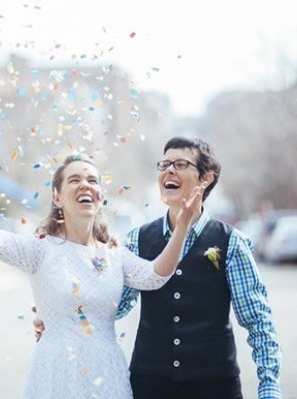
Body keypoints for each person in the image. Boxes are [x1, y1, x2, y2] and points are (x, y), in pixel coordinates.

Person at [0, 139, 205, 399]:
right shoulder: (40, 250)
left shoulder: (115, 254)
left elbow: (156, 276)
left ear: (101, 197)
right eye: (75, 180)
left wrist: (182, 225)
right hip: (55, 373)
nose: (85, 185)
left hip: (107, 374)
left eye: (92, 180)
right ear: (57, 196)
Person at [117, 136, 282, 399]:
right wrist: (62, 316)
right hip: (149, 385)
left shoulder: (231, 242)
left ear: (206, 179)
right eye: (164, 164)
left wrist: (269, 387)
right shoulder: (137, 239)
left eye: (180, 164)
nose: (169, 170)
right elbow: (115, 305)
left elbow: (257, 320)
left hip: (215, 386)